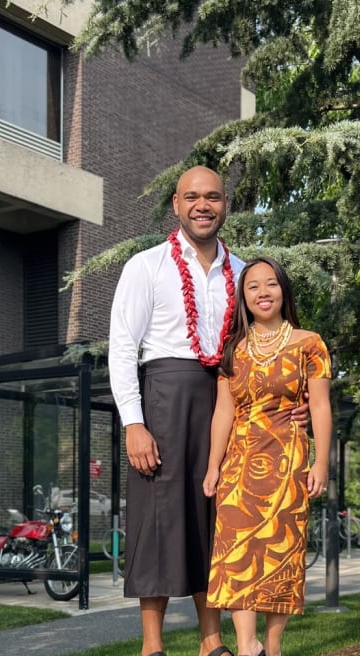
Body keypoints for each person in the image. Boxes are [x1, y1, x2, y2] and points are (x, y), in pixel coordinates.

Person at [109, 166, 308, 656]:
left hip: (228, 404)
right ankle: (152, 646)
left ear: (226, 206)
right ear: (176, 205)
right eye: (192, 197)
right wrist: (133, 422)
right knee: (156, 518)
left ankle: (211, 641)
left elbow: (271, 340)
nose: (203, 205)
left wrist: (297, 401)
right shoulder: (145, 266)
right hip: (163, 398)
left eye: (213, 197)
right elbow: (121, 348)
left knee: (218, 516)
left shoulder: (244, 274)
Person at [202, 257, 332, 656]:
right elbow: (223, 411)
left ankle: (272, 646)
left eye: (271, 284)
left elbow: (321, 406)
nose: (262, 292)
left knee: (282, 552)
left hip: (288, 459)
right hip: (239, 466)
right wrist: (213, 466)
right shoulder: (233, 352)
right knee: (235, 554)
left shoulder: (310, 344)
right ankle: (247, 646)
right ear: (243, 296)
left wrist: (322, 462)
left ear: (284, 291)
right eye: (253, 285)